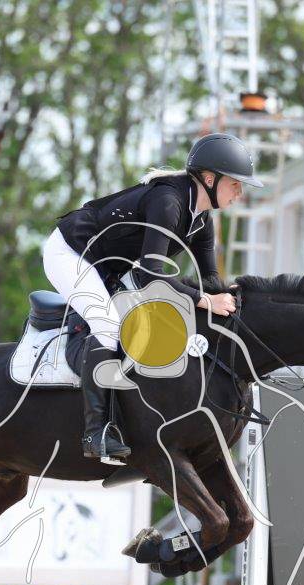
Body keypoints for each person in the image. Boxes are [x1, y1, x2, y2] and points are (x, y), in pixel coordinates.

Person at [45, 133, 261, 463]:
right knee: (109, 327)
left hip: (109, 266)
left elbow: (210, 281)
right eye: (235, 184)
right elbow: (150, 275)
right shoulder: (169, 202)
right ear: (209, 179)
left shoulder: (201, 220)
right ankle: (95, 433)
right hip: (71, 253)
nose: (240, 193)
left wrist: (233, 299)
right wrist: (205, 301)